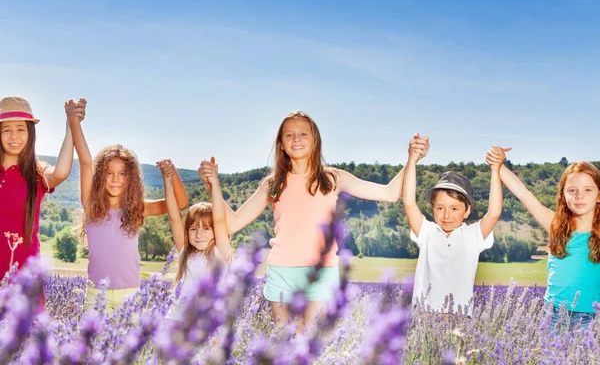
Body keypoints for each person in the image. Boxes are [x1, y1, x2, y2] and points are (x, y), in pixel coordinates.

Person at [200, 111, 430, 330]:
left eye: (303, 134)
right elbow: (232, 223)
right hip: (282, 272)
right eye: (289, 135)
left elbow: (389, 194)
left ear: (315, 140)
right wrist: (214, 184)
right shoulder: (272, 184)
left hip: (322, 272)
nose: (296, 139)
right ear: (281, 143)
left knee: (313, 344)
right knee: (286, 345)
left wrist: (411, 160)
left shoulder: (334, 178)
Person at [71, 104, 188, 313]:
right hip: (97, 295)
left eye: (123, 173)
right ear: (99, 176)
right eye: (109, 173)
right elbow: (85, 162)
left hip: (131, 296)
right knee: (92, 346)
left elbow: (179, 204)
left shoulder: (137, 209)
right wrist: (74, 122)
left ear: (131, 177)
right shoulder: (91, 206)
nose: (116, 179)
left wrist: (171, 175)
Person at [487, 147, 600, 329]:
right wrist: (499, 165)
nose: (579, 196)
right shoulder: (555, 224)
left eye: (588, 190)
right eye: (572, 190)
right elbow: (523, 194)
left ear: (598, 195)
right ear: (563, 195)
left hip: (591, 318)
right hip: (553, 314)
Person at [402, 136, 501, 316]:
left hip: (459, 317)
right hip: (425, 314)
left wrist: (495, 170)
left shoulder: (472, 236)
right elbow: (409, 203)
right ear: (433, 209)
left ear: (467, 210)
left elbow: (493, 213)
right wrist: (412, 160)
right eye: (440, 208)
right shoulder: (427, 232)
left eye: (454, 208)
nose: (446, 215)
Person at [1, 96, 81, 281]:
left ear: (30, 133)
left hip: (25, 280)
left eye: (21, 129)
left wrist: (70, 126)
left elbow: (60, 173)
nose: (14, 136)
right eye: (6, 130)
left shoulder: (37, 172)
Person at [164, 157, 231, 321]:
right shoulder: (185, 251)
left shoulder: (219, 253)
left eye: (206, 228)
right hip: (176, 321)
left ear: (216, 231)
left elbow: (220, 219)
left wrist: (214, 182)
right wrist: (167, 180)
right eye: (193, 229)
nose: (199, 235)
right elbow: (174, 218)